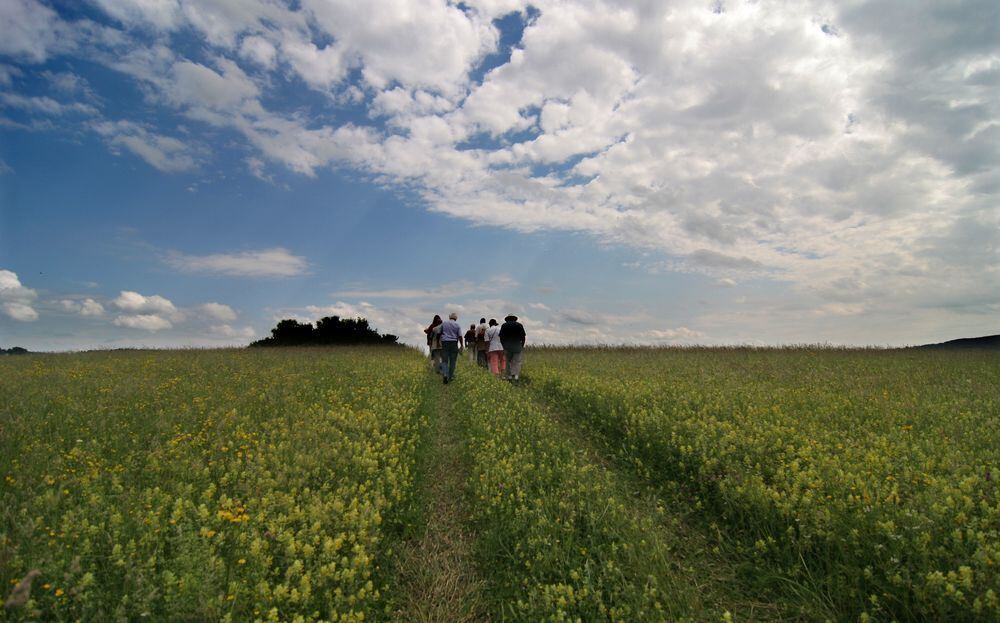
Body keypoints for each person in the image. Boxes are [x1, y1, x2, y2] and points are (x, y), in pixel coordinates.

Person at [499, 314, 526, 382]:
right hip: (517, 346)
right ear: (515, 319)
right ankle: (516, 375)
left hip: (507, 346)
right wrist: (522, 345)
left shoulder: (504, 325)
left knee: (508, 362)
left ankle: (509, 376)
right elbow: (523, 337)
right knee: (517, 361)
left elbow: (501, 337)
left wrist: (503, 346)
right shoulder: (519, 325)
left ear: (507, 319)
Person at [439, 312, 463, 384]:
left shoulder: (444, 323)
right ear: (456, 318)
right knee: (453, 361)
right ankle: (450, 376)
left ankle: (445, 374)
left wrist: (439, 341)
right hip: (454, 343)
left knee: (445, 360)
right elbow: (460, 336)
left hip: (445, 343)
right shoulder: (457, 325)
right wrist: (461, 345)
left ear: (449, 317)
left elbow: (440, 333)